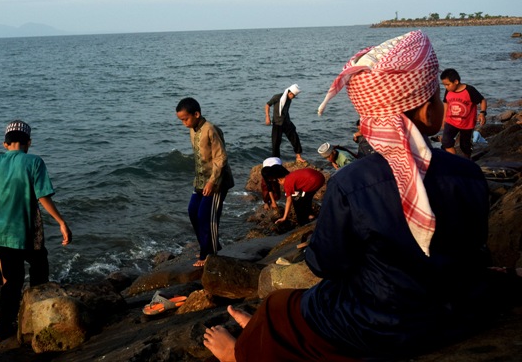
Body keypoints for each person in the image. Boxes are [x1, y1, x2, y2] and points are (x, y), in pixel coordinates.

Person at [204, 31, 500, 361]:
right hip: (459, 308)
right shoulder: (469, 173)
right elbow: (475, 247)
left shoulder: (351, 182)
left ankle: (240, 352)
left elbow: (326, 263)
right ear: (428, 111)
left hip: (385, 325)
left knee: (279, 307)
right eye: (436, 96)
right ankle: (259, 332)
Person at [0, 120, 72, 340]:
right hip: (25, 231)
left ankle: (3, 330)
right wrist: (61, 222)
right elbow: (43, 196)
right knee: (39, 268)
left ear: (5, 144)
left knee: (11, 283)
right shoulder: (34, 162)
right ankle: (37, 317)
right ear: (29, 143)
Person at [176, 97, 235, 267]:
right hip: (201, 181)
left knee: (207, 217)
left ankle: (209, 254)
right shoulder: (193, 130)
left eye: (185, 119)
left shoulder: (210, 129)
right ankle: (207, 245)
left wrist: (212, 182)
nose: (184, 123)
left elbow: (221, 157)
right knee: (193, 211)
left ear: (196, 114)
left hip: (217, 182)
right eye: (181, 120)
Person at [440, 68, 487, 158]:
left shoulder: (469, 90)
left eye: (448, 84)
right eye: (444, 85)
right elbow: (445, 103)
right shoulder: (449, 90)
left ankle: (467, 162)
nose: (446, 87)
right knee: (446, 142)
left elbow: (482, 100)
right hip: (451, 122)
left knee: (465, 146)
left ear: (456, 81)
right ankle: (454, 162)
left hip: (467, 124)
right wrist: (444, 118)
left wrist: (482, 113)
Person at [261, 161, 324, 226]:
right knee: (305, 198)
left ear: (279, 179)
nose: (280, 184)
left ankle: (303, 223)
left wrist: (284, 218)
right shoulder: (289, 176)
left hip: (315, 180)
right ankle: (311, 215)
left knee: (300, 202)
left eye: (278, 182)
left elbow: (289, 200)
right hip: (318, 176)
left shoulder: (287, 183)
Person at [265, 84, 306, 163]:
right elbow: (267, 105)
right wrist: (267, 117)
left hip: (287, 122)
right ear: (290, 93)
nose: (293, 98)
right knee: (276, 143)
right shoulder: (277, 97)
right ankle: (276, 161)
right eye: (293, 96)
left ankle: (298, 156)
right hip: (277, 123)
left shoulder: (289, 99)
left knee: (295, 138)